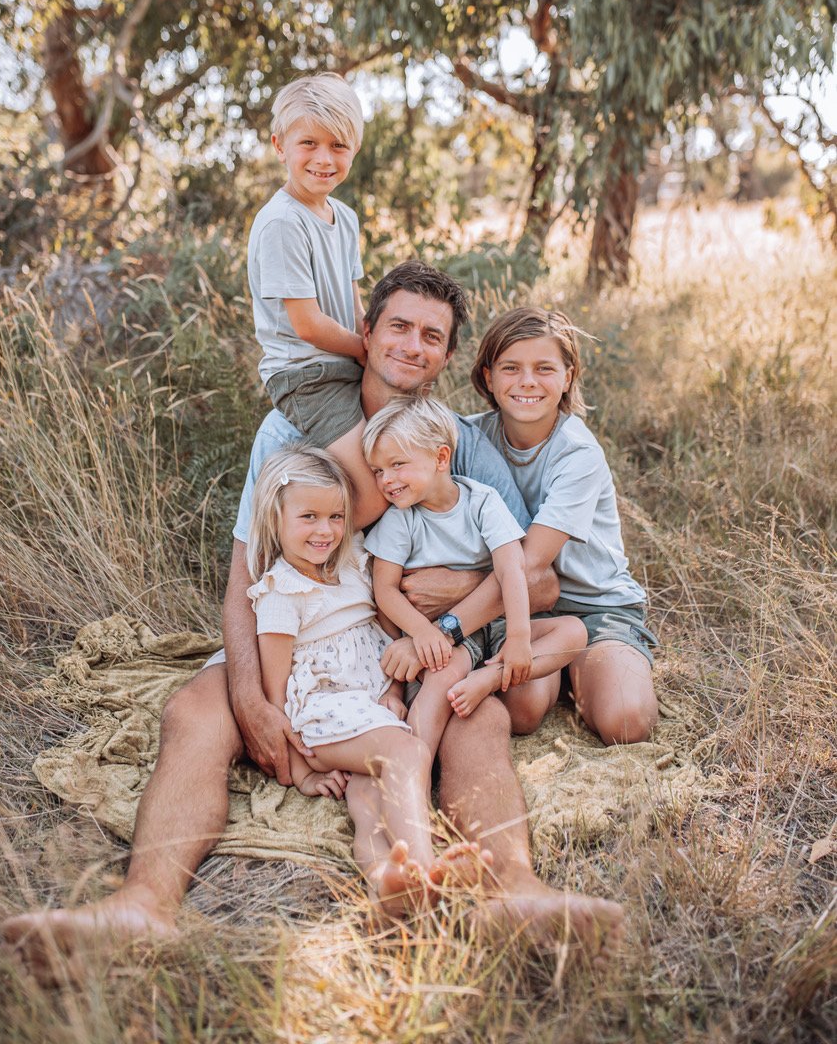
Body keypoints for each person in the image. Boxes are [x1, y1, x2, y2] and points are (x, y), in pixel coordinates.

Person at [2, 268, 624, 982]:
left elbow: (536, 579)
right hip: (296, 628)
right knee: (196, 711)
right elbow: (245, 581)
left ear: (449, 358)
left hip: (407, 641)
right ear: (365, 331)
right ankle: (142, 906)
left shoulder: (457, 441)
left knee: (472, 716)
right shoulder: (289, 426)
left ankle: (515, 891)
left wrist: (451, 597)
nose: (413, 346)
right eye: (398, 326)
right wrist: (252, 702)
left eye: (433, 336)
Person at [211, 444, 485, 915]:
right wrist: (301, 770)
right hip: (324, 710)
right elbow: (279, 697)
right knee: (406, 752)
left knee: (366, 796)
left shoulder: (352, 562)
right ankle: (425, 864)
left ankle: (389, 883)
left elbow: (383, 633)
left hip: (367, 699)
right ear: (275, 520)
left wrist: (393, 691)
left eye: (336, 517)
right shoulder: (282, 591)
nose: (325, 530)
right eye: (309, 517)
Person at [383, 307, 658, 746]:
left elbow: (529, 566)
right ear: (488, 377)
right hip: (520, 611)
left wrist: (447, 622)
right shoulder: (466, 440)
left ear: (568, 377)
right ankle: (556, 676)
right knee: (524, 711)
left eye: (544, 368)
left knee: (625, 721)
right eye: (511, 368)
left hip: (592, 605)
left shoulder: (576, 454)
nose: (527, 381)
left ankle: (597, 663)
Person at [362, 395, 587, 760]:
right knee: (440, 682)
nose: (387, 480)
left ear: (440, 458)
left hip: (494, 623)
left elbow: (512, 569)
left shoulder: (481, 501)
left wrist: (518, 636)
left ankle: (490, 678)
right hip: (444, 638)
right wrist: (420, 632)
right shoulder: (401, 519)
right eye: (378, 471)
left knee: (574, 631)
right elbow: (384, 589)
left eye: (397, 465)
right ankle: (410, 767)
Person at [249, 71, 384, 524]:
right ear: (279, 145)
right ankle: (322, 574)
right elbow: (307, 324)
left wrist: (374, 345)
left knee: (404, 449)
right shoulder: (282, 223)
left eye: (338, 146)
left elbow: (351, 303)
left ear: (354, 151)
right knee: (373, 492)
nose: (324, 158)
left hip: (343, 363)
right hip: (305, 376)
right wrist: (366, 352)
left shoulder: (343, 218)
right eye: (309, 143)